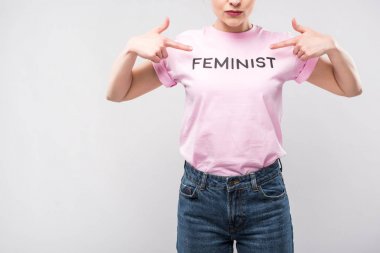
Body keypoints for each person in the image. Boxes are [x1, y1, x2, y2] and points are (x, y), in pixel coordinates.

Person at [106, 1, 363, 252]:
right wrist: (130, 49)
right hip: (199, 197)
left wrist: (334, 47)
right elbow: (119, 92)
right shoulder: (184, 46)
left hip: (264, 196)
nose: (234, 1)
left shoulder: (283, 46)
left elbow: (349, 87)